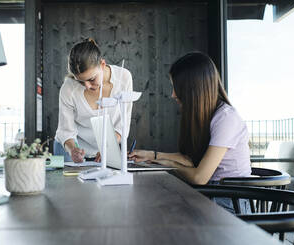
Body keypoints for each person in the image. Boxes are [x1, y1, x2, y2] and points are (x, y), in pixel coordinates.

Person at [128, 52, 251, 213]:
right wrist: (152, 155)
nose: (172, 94)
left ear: (194, 89)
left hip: (229, 202)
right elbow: (189, 160)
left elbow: (200, 177)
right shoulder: (206, 115)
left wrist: (169, 165)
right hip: (211, 194)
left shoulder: (226, 118)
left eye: (176, 88)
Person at [54, 39, 133, 163]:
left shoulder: (124, 78)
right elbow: (66, 131)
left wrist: (107, 147)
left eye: (91, 79)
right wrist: (73, 150)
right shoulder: (68, 88)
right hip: (70, 148)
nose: (87, 86)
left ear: (102, 64)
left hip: (105, 149)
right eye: (80, 81)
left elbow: (122, 126)